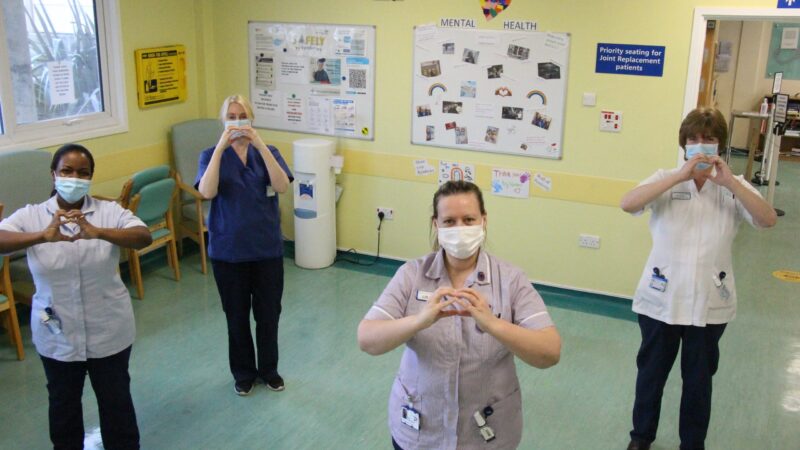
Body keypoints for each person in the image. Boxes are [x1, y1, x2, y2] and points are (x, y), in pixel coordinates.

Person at [357, 180, 561, 449]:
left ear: (484, 221)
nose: (460, 229)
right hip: (420, 432)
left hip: (487, 434)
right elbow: (367, 339)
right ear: (436, 224)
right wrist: (419, 321)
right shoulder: (411, 274)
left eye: (468, 219)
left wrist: (493, 324)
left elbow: (549, 352)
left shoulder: (510, 280)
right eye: (449, 221)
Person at [620, 107, 777, 450]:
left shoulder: (731, 188)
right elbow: (627, 203)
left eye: (708, 139)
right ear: (684, 144)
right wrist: (678, 177)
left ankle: (692, 444)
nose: (700, 145)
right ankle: (641, 437)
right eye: (693, 139)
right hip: (661, 301)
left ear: (720, 145)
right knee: (650, 376)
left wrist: (731, 182)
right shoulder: (665, 177)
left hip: (709, 305)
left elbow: (767, 220)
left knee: (698, 381)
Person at [0, 143, 152, 450]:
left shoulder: (108, 212)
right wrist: (41, 236)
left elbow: (142, 236)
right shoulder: (31, 216)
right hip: (57, 335)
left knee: (116, 404)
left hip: (108, 331)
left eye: (83, 173)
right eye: (67, 171)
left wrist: (98, 232)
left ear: (91, 177)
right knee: (63, 406)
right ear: (54, 174)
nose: (74, 178)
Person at [196, 94, 293, 396]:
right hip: (229, 252)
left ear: (251, 119)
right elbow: (207, 192)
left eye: (242, 116)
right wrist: (221, 149)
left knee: (268, 315)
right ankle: (243, 373)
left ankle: (269, 370)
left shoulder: (269, 152)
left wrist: (259, 144)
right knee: (236, 317)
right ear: (223, 122)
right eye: (231, 116)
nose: (237, 122)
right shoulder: (210, 154)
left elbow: (282, 186)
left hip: (265, 250)